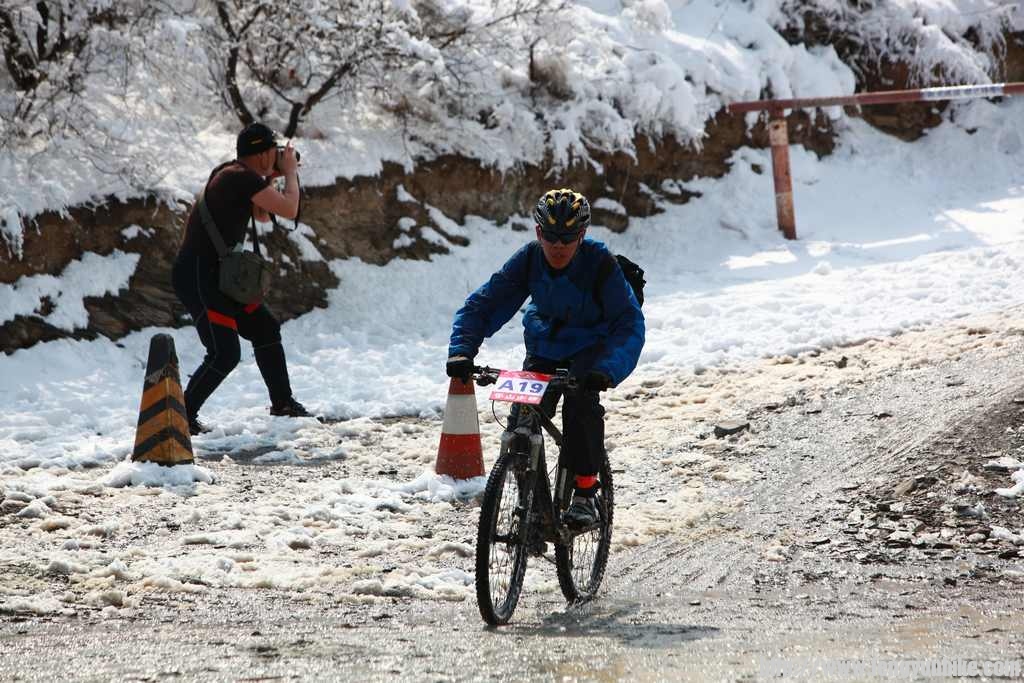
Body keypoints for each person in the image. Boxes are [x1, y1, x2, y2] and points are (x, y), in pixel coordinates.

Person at [446, 188, 645, 528]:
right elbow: (485, 304)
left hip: (590, 348)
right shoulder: (528, 259)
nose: (557, 246)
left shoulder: (600, 264)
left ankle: (584, 495)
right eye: (550, 236)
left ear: (581, 235)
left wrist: (606, 370)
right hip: (544, 347)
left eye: (567, 238)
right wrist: (462, 350)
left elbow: (630, 324)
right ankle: (533, 510)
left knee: (580, 405)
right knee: (522, 422)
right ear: (538, 232)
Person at [173, 122, 311, 435]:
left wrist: (271, 176)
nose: (277, 156)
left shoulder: (236, 174)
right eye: (273, 152)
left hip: (220, 275)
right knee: (225, 352)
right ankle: (180, 417)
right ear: (262, 153)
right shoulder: (238, 177)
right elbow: (289, 209)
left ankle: (283, 402)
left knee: (265, 327)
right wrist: (289, 173)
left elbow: (262, 215)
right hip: (200, 274)